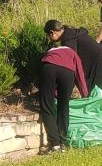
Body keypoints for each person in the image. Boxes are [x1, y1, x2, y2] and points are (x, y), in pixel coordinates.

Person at [38, 26, 89, 154]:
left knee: (47, 106)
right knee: (63, 106)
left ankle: (54, 144)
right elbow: (79, 74)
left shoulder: (49, 52)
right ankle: (63, 144)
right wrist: (85, 93)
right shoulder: (71, 52)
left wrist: (50, 93)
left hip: (48, 68)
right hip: (67, 72)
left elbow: (44, 77)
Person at [44, 19, 102, 96]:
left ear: (52, 32)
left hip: (99, 65)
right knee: (97, 91)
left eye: (48, 36)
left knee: (94, 95)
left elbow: (71, 66)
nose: (49, 39)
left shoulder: (68, 40)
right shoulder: (71, 33)